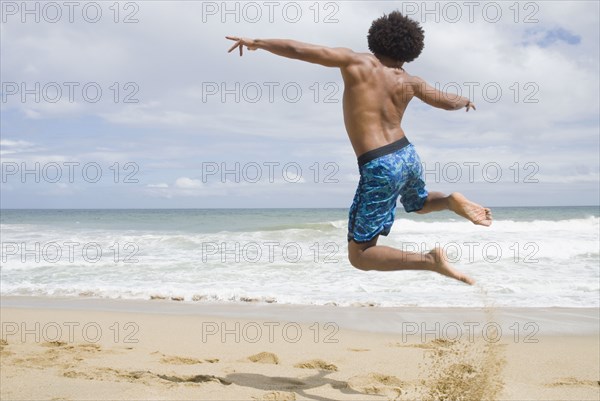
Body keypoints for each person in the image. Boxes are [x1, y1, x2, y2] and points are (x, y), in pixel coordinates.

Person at [226, 11, 492, 285]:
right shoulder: (412, 82)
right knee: (418, 203)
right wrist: (465, 101)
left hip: (379, 163)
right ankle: (449, 200)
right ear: (412, 49)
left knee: (361, 255)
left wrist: (257, 41)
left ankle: (430, 261)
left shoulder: (357, 62)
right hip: (407, 155)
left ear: (376, 37)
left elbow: (299, 50)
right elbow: (446, 101)